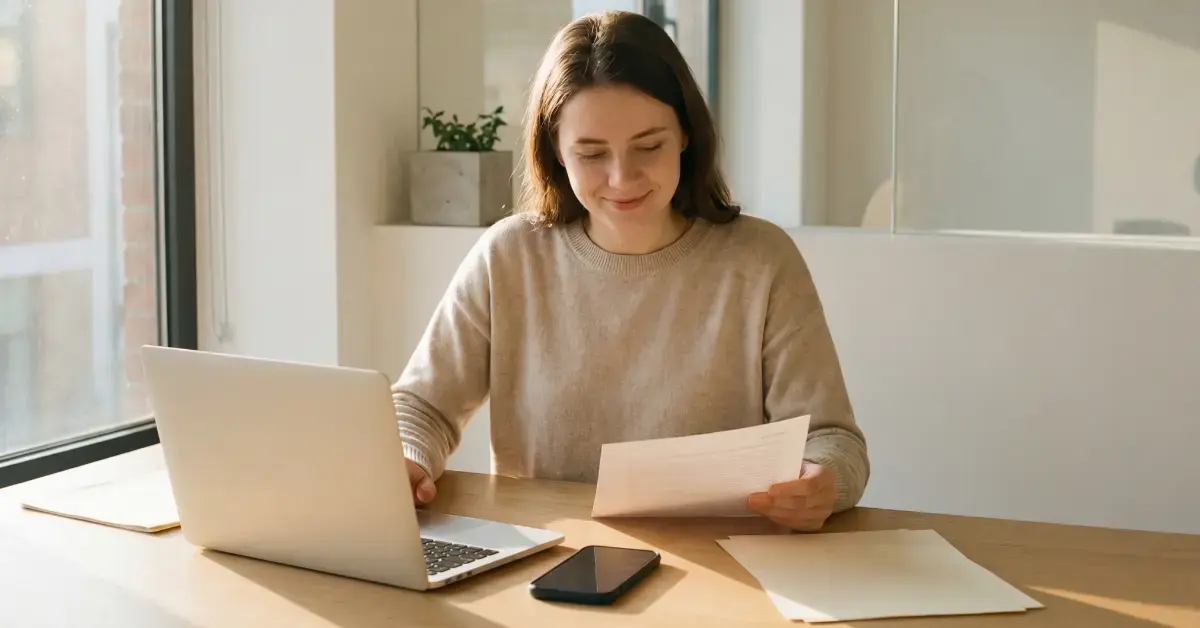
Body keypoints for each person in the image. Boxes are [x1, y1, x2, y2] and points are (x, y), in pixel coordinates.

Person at [393, 10, 868, 532]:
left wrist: (822, 481)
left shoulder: (761, 260)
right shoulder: (509, 256)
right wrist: (405, 459)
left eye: (649, 146)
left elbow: (832, 440)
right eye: (592, 153)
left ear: (686, 133)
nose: (622, 178)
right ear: (556, 150)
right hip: (545, 555)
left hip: (720, 564)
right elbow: (420, 408)